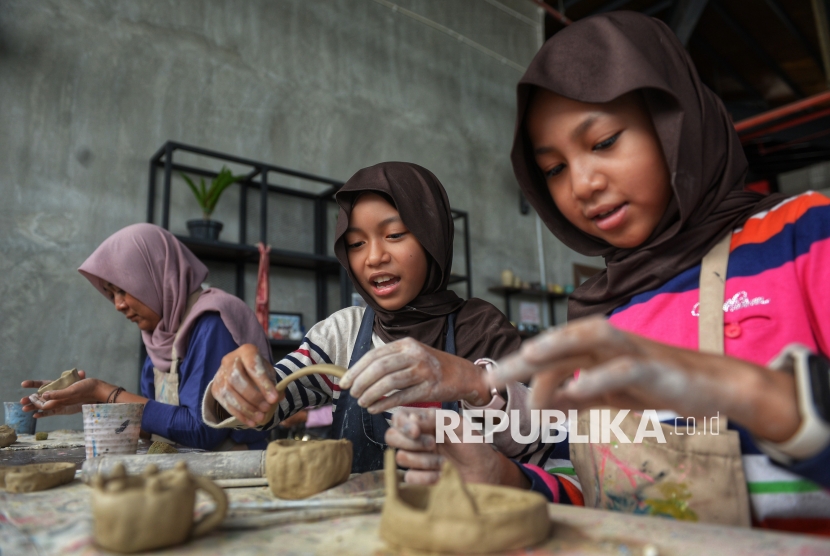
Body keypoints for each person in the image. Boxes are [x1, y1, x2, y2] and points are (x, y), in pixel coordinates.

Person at [388, 12, 830, 534]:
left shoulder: (803, 235)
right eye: (553, 168)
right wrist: (503, 478)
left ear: (674, 122)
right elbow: (604, 494)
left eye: (603, 142)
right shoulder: (602, 313)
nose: (582, 184)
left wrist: (762, 398)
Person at [201, 162, 581, 502]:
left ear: (433, 237)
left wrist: (473, 383)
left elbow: (547, 446)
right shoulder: (341, 335)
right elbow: (269, 405)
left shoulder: (482, 331)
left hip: (463, 531)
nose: (374, 257)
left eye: (395, 234)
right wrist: (240, 388)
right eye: (356, 243)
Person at [20, 223, 272, 451]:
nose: (118, 304)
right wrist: (90, 401)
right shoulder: (159, 334)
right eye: (111, 294)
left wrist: (103, 391)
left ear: (155, 274)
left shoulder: (212, 321)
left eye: (122, 289)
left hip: (235, 474)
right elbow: (157, 425)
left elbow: (204, 430)